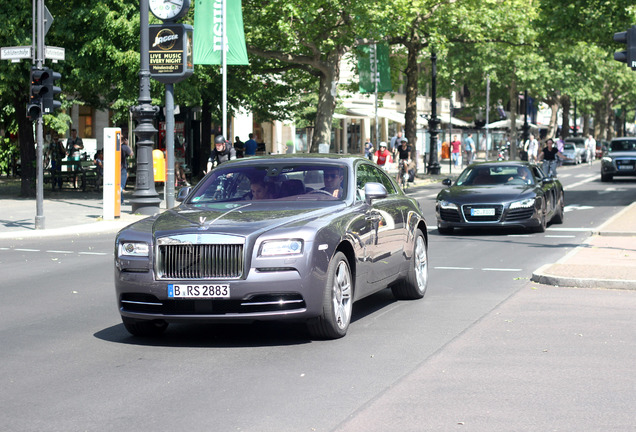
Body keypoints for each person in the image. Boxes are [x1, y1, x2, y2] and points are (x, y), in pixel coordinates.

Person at [120, 136, 134, 204]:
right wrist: (128, 145)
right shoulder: (124, 147)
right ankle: (121, 200)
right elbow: (131, 153)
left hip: (117, 167)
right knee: (121, 185)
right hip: (122, 168)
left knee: (118, 184)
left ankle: (121, 200)